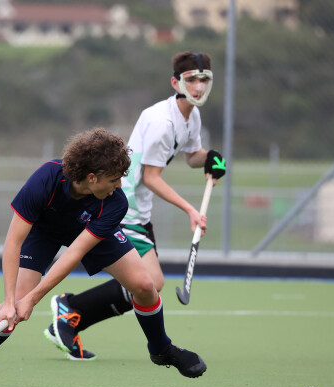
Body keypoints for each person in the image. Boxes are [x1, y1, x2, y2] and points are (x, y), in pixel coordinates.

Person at [0, 128, 207, 387]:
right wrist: (12, 300)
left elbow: (74, 253)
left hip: (89, 230)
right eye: (114, 179)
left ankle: (161, 348)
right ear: (92, 177)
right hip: (44, 231)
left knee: (145, 284)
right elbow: (13, 241)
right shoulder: (46, 178)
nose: (119, 185)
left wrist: (33, 299)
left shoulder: (115, 202)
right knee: (12, 304)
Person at [43, 52, 226, 361]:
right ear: (176, 83)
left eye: (204, 79)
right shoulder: (162, 122)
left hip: (139, 210)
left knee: (149, 283)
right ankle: (71, 310)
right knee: (150, 283)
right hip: (122, 205)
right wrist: (190, 210)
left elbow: (192, 155)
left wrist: (209, 158)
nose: (198, 86)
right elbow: (151, 177)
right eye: (191, 80)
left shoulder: (190, 115)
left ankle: (72, 313)